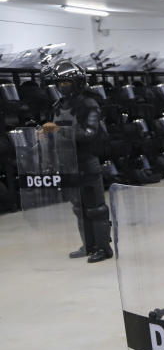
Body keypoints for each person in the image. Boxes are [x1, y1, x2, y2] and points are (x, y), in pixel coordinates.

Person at [43, 60, 113, 263]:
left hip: (86, 162)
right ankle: (88, 245)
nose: (62, 87)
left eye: (67, 83)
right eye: (60, 83)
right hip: (67, 163)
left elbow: (90, 133)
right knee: (78, 208)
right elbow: (52, 131)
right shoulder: (58, 105)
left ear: (77, 82)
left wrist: (60, 131)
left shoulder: (89, 103)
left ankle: (103, 248)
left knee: (96, 208)